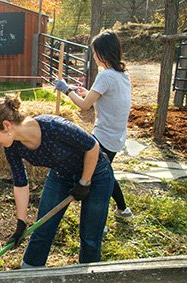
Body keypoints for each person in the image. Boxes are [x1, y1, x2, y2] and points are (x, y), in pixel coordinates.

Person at [0, 94, 114, 268]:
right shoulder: (12, 146)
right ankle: (30, 271)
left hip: (96, 174)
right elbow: (20, 182)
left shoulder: (53, 127)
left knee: (90, 233)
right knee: (43, 227)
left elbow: (92, 146)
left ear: (6, 125)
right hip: (61, 175)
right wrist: (21, 222)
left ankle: (87, 276)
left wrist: (84, 182)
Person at [55, 30, 132, 220]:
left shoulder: (105, 76)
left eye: (95, 52)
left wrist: (66, 89)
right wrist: (87, 91)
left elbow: (84, 105)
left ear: (102, 53)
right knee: (106, 172)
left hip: (104, 136)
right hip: (117, 135)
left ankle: (99, 221)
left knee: (96, 178)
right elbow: (105, 98)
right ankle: (123, 210)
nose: (94, 56)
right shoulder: (122, 75)